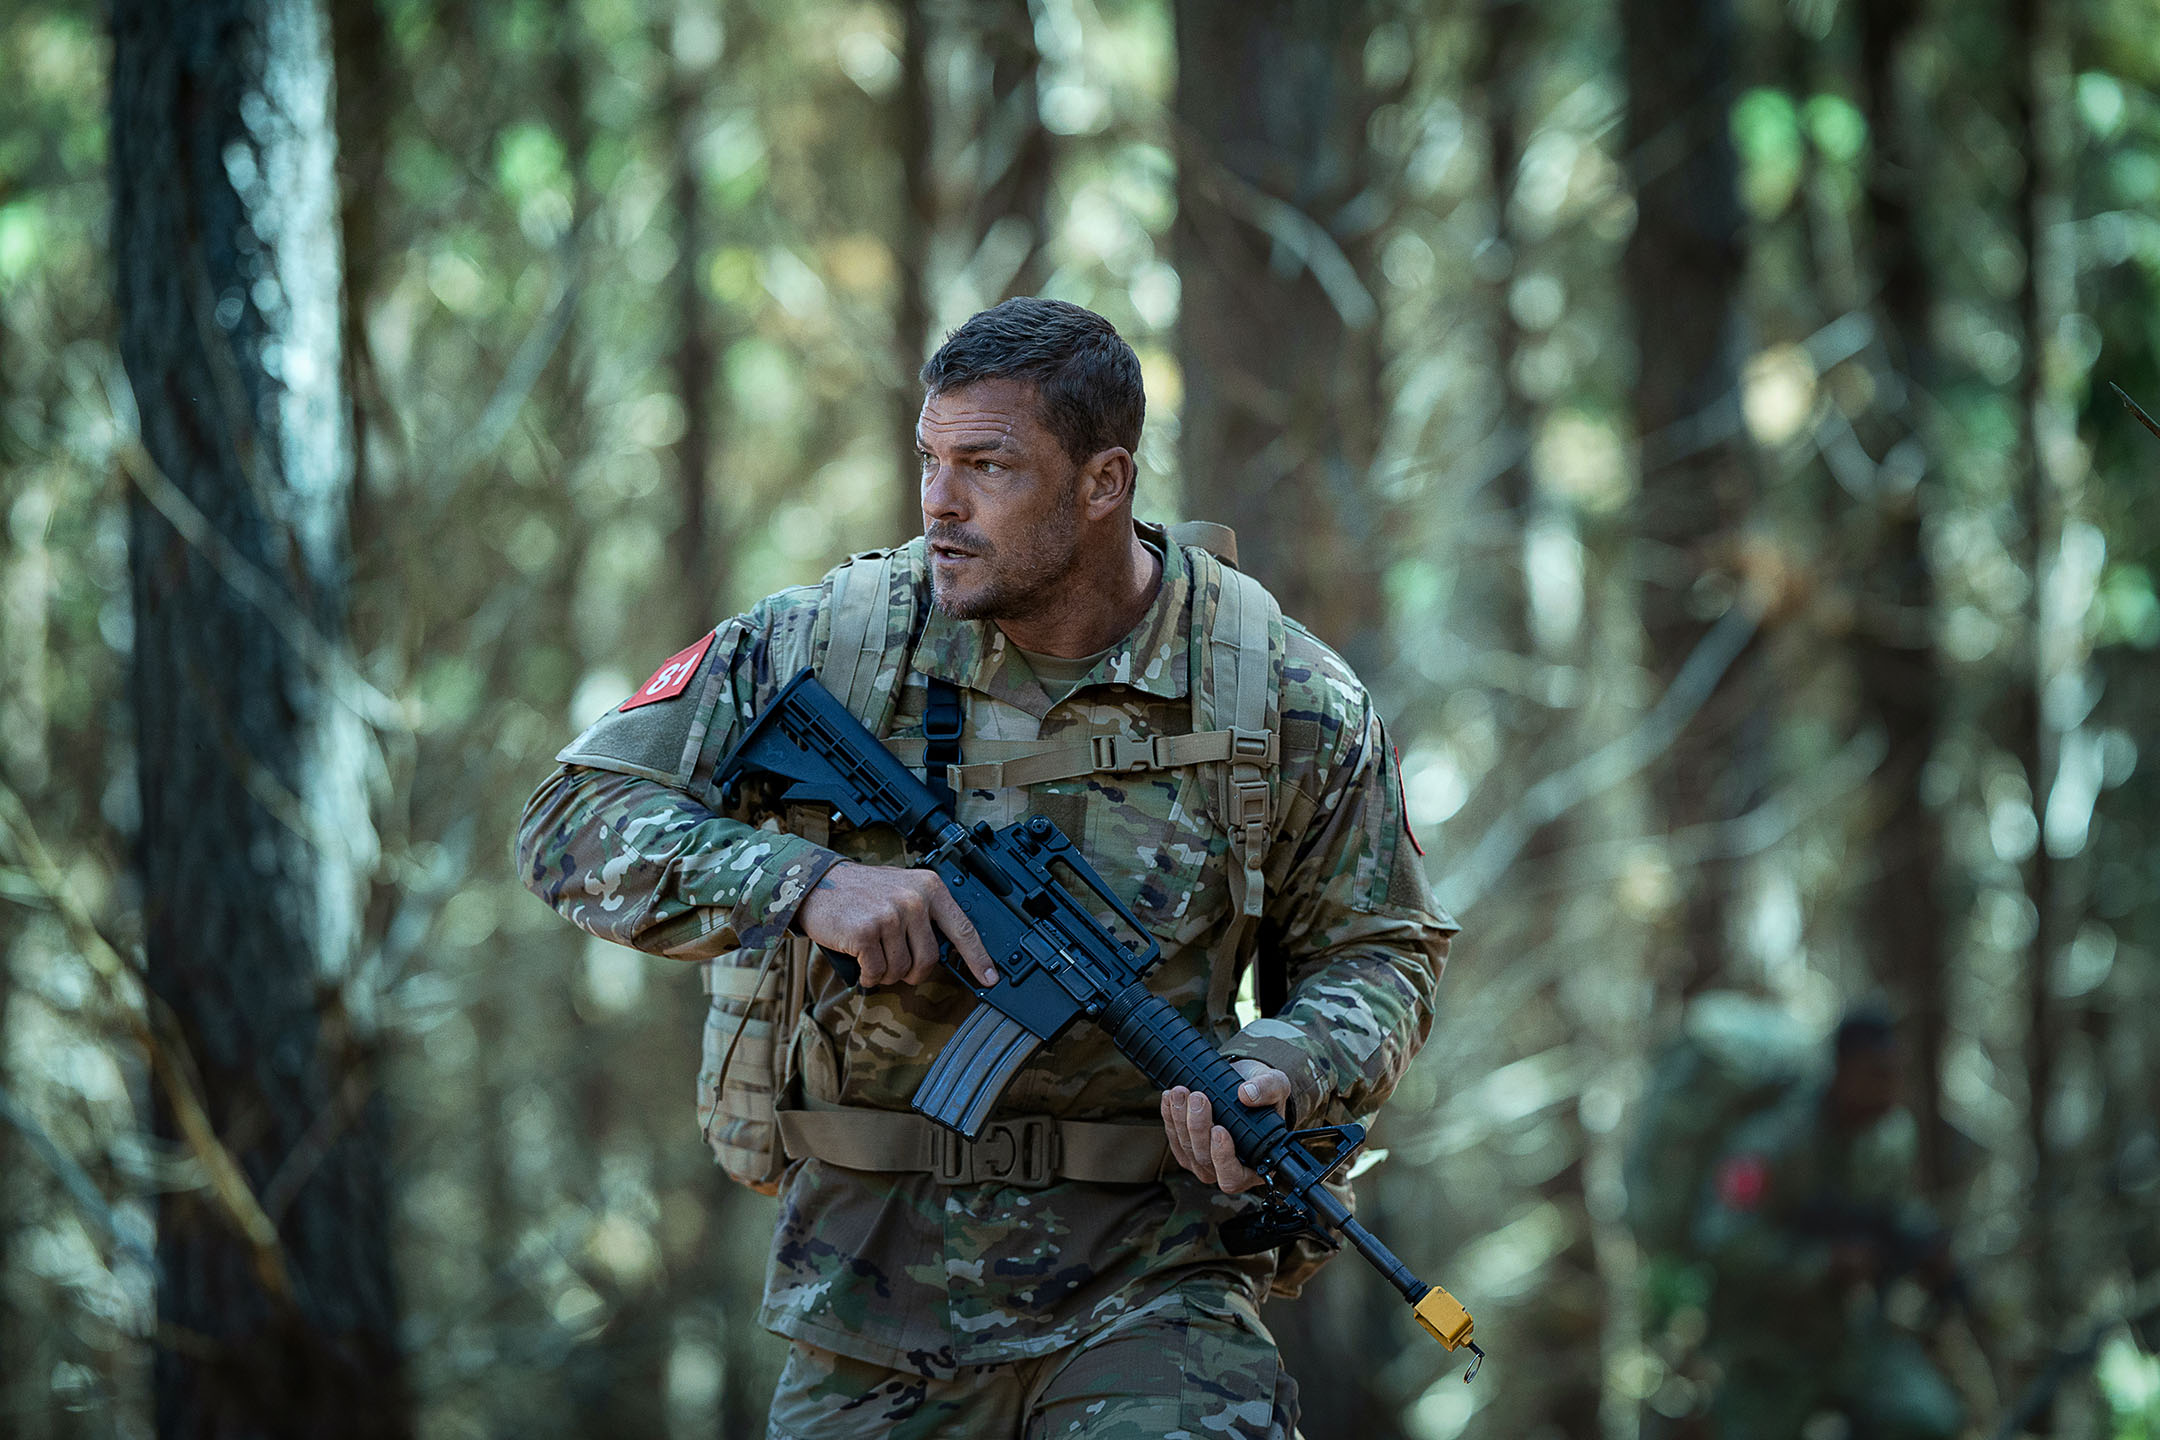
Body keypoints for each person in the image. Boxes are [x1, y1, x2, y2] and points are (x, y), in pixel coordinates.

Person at [513, 297, 1455, 1438]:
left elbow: (1383, 947)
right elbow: (569, 821)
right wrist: (805, 886)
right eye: (931, 460)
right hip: (867, 1286)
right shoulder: (834, 642)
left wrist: (1291, 1059)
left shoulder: (1280, 695)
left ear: (1104, 482)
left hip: (1155, 1278)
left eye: (988, 467)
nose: (938, 503)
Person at [1692, 1008, 1966, 1440]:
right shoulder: (1770, 1143)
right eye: (1876, 1074)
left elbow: (1895, 1210)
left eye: (1896, 1074)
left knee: (1926, 1420)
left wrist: (1925, 1247)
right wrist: (1823, 1262)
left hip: (1848, 1341)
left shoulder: (1889, 1138)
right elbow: (1721, 1239)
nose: (1890, 1089)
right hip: (1764, 1350)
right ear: (1842, 1070)